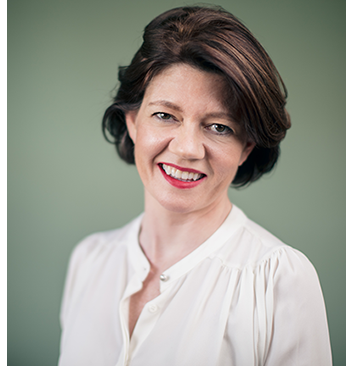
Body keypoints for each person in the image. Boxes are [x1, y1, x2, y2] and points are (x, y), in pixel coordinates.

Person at [58, 6, 332, 366]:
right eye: (165, 115)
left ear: (246, 147)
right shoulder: (89, 261)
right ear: (133, 123)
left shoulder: (279, 279)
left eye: (219, 126)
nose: (187, 149)